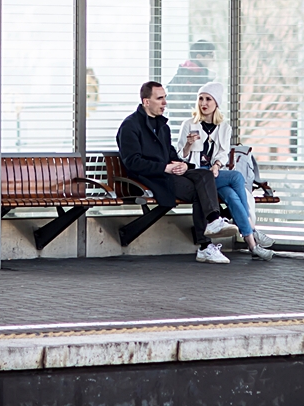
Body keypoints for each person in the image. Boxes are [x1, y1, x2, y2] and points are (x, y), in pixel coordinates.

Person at [116, 81, 237, 264]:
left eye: (165, 98)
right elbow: (133, 162)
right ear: (146, 102)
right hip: (148, 179)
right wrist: (166, 168)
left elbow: (171, 154)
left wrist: (183, 165)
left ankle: (213, 222)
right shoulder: (130, 126)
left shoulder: (162, 126)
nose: (165, 102)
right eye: (160, 98)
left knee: (203, 175)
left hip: (167, 173)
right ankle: (205, 244)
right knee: (199, 190)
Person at [176, 82, 275, 260]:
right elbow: (180, 157)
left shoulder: (224, 127)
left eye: (208, 99)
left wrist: (216, 166)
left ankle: (253, 246)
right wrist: (189, 145)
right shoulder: (188, 124)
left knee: (231, 195)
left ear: (217, 103)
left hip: (214, 173)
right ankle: (251, 230)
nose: (203, 103)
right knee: (236, 177)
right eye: (200, 99)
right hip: (197, 176)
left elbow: (222, 153)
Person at [165, 39, 216, 107]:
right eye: (211, 55)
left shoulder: (185, 73)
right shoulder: (191, 77)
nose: (213, 59)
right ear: (199, 57)